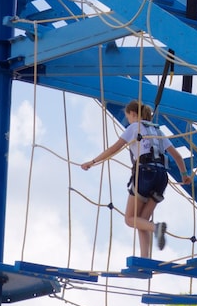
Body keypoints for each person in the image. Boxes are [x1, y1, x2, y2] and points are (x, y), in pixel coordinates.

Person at [81, 101, 191, 259]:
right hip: (161, 177)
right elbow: (177, 156)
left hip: (145, 174)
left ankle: (156, 228)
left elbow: (113, 148)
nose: (129, 120)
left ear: (133, 114)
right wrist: (184, 175)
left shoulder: (133, 128)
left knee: (130, 219)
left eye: (128, 117)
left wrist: (92, 163)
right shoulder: (158, 131)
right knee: (141, 220)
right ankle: (145, 258)